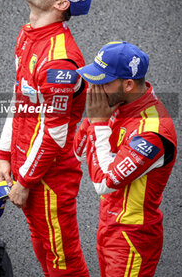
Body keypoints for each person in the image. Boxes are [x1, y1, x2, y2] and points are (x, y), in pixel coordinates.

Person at [0, 0, 92, 276]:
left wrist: (25, 181)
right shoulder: (27, 35)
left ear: (61, 4)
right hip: (28, 167)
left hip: (48, 179)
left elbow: (54, 133)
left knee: (63, 262)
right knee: (43, 246)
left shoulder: (59, 63)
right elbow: (19, 96)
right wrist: (5, 154)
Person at [74, 41, 177, 277]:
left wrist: (99, 123)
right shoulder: (117, 103)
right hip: (108, 227)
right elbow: (75, 151)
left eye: (102, 82)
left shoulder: (153, 131)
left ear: (128, 84)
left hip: (132, 239)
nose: (94, 88)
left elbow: (104, 184)